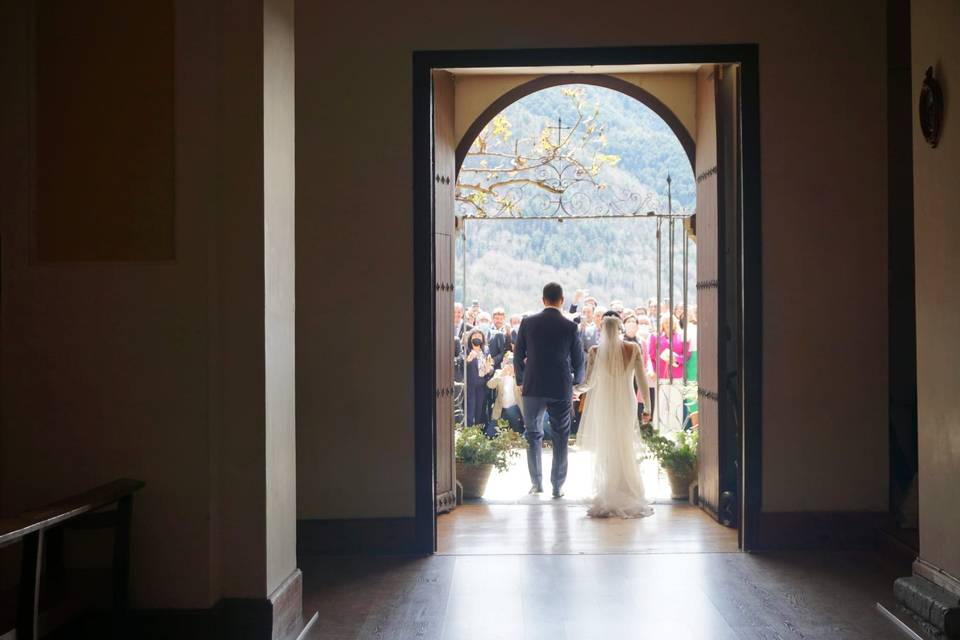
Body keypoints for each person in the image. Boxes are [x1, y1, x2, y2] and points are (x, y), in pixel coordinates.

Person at [575, 314, 653, 519]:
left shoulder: (595, 351)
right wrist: (648, 406)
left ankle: (609, 486)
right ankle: (627, 487)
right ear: (620, 328)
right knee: (624, 442)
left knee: (607, 444)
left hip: (605, 403)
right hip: (626, 402)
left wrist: (575, 389)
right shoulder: (633, 348)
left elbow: (590, 383)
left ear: (602, 330)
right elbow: (642, 380)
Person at [514, 282, 585, 498]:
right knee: (561, 436)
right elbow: (579, 360)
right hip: (560, 386)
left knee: (533, 434)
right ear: (562, 300)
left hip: (533, 385)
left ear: (543, 299)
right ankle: (557, 486)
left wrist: (520, 379)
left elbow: (518, 355)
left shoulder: (528, 323)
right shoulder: (570, 327)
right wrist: (576, 385)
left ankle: (536, 483)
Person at [649, 313, 687, 432]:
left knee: (676, 405)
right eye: (665, 322)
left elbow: (686, 355)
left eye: (670, 322)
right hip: (662, 376)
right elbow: (651, 355)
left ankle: (676, 432)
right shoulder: (655, 337)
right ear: (662, 324)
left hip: (677, 375)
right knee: (661, 404)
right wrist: (654, 370)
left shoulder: (681, 336)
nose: (668, 324)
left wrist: (676, 359)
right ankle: (658, 431)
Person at [487, 353, 524, 434]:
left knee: (511, 412)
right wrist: (501, 374)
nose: (508, 364)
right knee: (490, 434)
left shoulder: (519, 373)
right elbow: (490, 385)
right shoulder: (498, 372)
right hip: (500, 410)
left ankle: (518, 430)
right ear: (503, 361)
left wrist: (515, 374)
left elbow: (524, 389)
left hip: (515, 410)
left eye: (511, 361)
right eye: (506, 361)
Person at [464, 328, 493, 428]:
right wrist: (468, 360)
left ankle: (477, 432)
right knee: (470, 409)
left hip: (482, 384)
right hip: (470, 384)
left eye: (479, 336)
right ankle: (468, 431)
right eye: (474, 336)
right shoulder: (466, 349)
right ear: (470, 338)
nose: (477, 338)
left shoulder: (486, 350)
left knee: (479, 410)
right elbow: (459, 365)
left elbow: (490, 365)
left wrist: (490, 369)